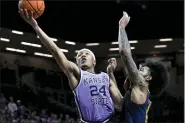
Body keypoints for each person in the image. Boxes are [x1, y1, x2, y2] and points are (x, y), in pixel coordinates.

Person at [19, 9, 123, 123]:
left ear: (94, 61)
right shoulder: (77, 74)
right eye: (79, 55)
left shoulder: (105, 77)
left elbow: (119, 103)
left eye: (86, 53)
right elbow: (56, 51)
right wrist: (36, 27)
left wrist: (111, 73)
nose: (83, 55)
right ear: (77, 63)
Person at [116, 11, 170, 123]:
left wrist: (122, 26)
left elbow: (124, 52)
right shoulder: (135, 91)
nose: (139, 68)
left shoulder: (141, 85)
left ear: (148, 78)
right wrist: (111, 73)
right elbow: (119, 105)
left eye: (143, 69)